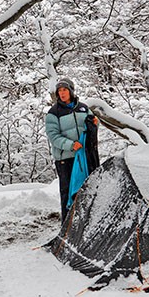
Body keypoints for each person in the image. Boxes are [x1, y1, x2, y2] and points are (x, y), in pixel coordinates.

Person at [45, 78, 99, 222]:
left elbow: (90, 127)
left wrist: (94, 123)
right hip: (65, 159)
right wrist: (70, 144)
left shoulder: (83, 108)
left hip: (83, 157)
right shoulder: (54, 112)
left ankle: (84, 223)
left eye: (64, 90)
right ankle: (67, 226)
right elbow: (53, 136)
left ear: (71, 91)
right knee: (68, 192)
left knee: (86, 190)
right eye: (59, 91)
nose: (62, 93)